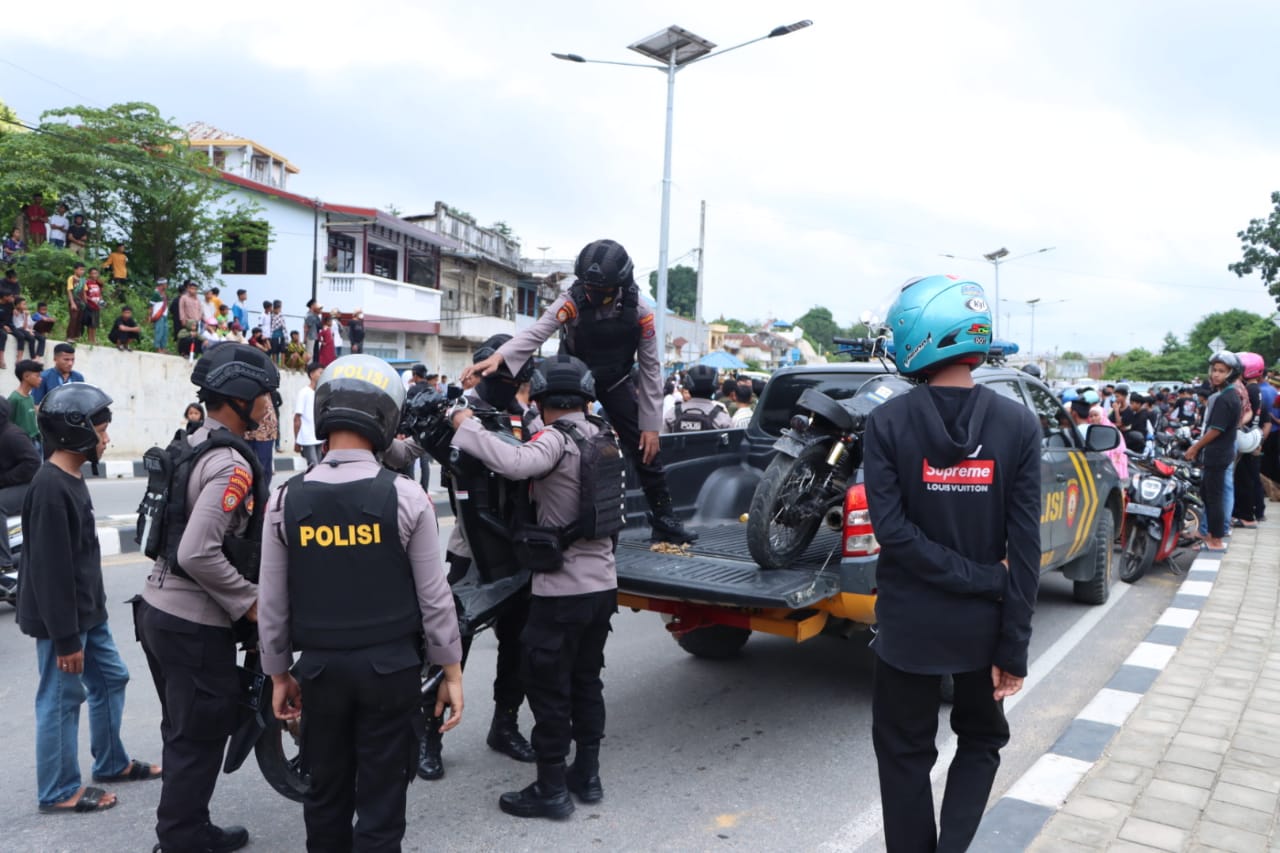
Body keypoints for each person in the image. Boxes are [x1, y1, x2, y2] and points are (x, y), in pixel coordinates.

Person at [861, 275, 1041, 852]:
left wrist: (977, 580)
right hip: (984, 628)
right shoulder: (1018, 424)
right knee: (982, 742)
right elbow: (1027, 548)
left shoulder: (887, 422)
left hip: (908, 629)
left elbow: (892, 533)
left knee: (903, 752)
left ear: (919, 334)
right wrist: (1011, 641)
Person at [258, 354, 464, 851]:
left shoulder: (286, 498)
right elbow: (435, 599)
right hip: (391, 672)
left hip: (320, 672)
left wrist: (279, 673)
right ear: (387, 419)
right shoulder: (410, 497)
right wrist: (451, 671)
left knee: (324, 793)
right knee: (382, 797)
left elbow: (273, 603)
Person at [451, 354, 620, 820]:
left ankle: (550, 787)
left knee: (548, 688)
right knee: (587, 681)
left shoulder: (555, 441)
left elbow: (515, 461)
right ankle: (586, 774)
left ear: (544, 400)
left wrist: (466, 424)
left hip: (561, 590)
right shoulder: (604, 437)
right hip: (602, 586)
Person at [134, 344, 278, 853]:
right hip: (192, 621)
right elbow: (198, 551)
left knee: (183, 731)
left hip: (157, 609)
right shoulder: (230, 465)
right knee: (198, 736)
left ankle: (185, 829)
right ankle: (180, 841)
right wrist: (250, 600)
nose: (269, 406)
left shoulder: (191, 442)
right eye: (264, 396)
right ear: (241, 399)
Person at [464, 238, 694, 543]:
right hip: (570, 376)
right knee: (549, 439)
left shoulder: (640, 311)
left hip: (615, 380)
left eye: (599, 290)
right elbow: (536, 332)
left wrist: (650, 426)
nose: (591, 293)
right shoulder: (571, 300)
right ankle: (532, 515)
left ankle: (664, 517)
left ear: (619, 284)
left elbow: (651, 368)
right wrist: (498, 357)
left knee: (645, 447)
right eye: (587, 286)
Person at [16, 384, 162, 815]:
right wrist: (65, 639)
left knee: (112, 678)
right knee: (62, 698)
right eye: (101, 431)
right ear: (75, 432)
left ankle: (111, 762)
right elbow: (49, 570)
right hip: (64, 620)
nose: (107, 439)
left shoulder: (71, 478)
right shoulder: (49, 488)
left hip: (87, 613)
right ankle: (59, 790)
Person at [405, 336, 539, 782]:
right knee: (449, 643)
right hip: (470, 547)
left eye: (518, 372)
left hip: (518, 550)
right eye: (504, 372)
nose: (514, 380)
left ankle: (505, 725)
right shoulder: (457, 410)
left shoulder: (528, 413)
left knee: (517, 644)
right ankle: (430, 735)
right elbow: (408, 450)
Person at [1185, 351, 1241, 552]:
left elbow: (1216, 429)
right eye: (1215, 370)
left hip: (1219, 454)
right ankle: (1208, 536)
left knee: (1215, 498)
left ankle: (1215, 540)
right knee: (1208, 495)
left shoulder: (1227, 398)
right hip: (1216, 454)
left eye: (1222, 371)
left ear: (1231, 373)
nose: (1216, 374)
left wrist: (1195, 447)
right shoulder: (1224, 395)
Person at [0, 393, 42, 571]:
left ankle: (4, 563)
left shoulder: (12, 435)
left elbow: (33, 463)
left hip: (28, 487)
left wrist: (4, 480)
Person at [663, 364, 732, 432]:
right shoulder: (722, 418)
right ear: (715, 388)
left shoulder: (672, 414)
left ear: (687, 386)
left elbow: (661, 440)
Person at [244, 392, 278, 489]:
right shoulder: (250, 389)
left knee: (265, 468)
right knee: (251, 466)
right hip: (249, 433)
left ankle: (263, 493)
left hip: (267, 433)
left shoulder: (269, 390)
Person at [294, 361, 324, 465]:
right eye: (320, 373)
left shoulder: (321, 393)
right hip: (307, 438)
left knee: (320, 467)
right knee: (313, 466)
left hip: (319, 438)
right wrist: (297, 440)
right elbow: (297, 418)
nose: (322, 375)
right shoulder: (304, 393)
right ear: (311, 375)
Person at [10, 360, 43, 452]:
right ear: (26, 376)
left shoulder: (30, 397)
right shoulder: (15, 398)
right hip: (23, 444)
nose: (41, 379)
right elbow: (8, 423)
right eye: (37, 376)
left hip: (35, 441)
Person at [81, 268, 105, 346]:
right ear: (90, 274)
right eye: (93, 273)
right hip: (90, 305)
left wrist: (101, 302)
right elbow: (84, 294)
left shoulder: (98, 283)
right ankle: (90, 340)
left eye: (96, 273)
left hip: (97, 306)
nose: (94, 275)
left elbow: (100, 294)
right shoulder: (87, 282)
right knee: (90, 323)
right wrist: (89, 300)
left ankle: (93, 339)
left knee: (95, 324)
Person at [65, 263, 87, 342]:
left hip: (81, 302)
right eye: (80, 269)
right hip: (74, 301)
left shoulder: (83, 280)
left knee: (79, 319)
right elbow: (69, 291)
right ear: (75, 270)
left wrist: (86, 302)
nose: (82, 271)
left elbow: (84, 292)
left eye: (83, 270)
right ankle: (69, 336)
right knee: (73, 318)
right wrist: (72, 303)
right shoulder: (71, 278)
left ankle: (76, 336)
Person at [150, 279, 170, 353]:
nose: (166, 285)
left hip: (164, 315)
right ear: (161, 285)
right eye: (165, 284)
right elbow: (151, 306)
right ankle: (158, 348)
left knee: (165, 332)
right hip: (158, 316)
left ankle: (163, 348)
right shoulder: (156, 293)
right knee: (159, 332)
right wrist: (150, 316)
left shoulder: (164, 294)